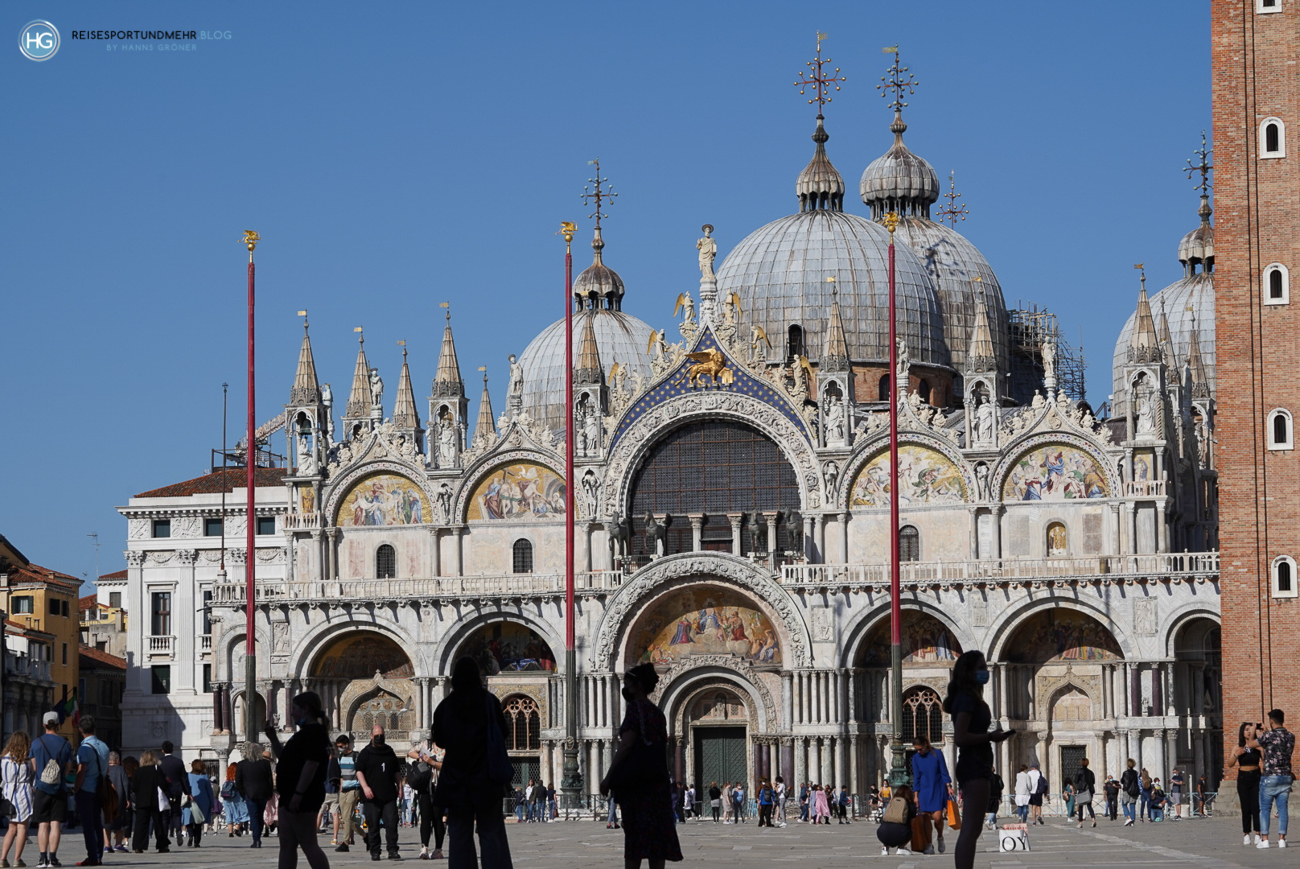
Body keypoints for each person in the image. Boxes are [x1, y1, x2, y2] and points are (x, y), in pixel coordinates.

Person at [433, 657, 514, 869]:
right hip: (485, 776)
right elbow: (504, 732)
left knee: (459, 834)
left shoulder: (446, 706)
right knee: (490, 832)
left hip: (457, 779)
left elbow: (439, 739)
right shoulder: (488, 701)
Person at [598, 662, 681, 869]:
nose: (625, 689)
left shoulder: (635, 709)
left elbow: (626, 746)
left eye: (628, 684)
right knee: (656, 842)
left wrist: (608, 777)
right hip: (658, 784)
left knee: (635, 839)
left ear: (639, 686)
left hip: (638, 787)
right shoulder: (657, 713)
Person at [944, 648, 1014, 869]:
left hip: (978, 764)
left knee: (974, 828)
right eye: (982, 667)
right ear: (969, 672)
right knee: (971, 828)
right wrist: (990, 736)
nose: (986, 671)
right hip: (973, 764)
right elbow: (961, 737)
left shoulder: (971, 696)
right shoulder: (966, 698)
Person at [264, 691, 332, 869]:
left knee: (308, 843)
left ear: (306, 709)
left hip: (304, 795)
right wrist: (273, 738)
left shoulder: (314, 733)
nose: (291, 713)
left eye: (294, 708)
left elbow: (311, 765)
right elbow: (284, 758)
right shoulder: (301, 734)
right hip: (290, 795)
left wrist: (298, 793)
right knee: (286, 844)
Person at [1247, 708, 1294, 849]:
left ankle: (1265, 839)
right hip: (1285, 776)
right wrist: (1267, 732)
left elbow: (1250, 744)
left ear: (1271, 721)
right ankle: (1281, 839)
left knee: (1265, 808)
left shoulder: (1268, 737)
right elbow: (1278, 744)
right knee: (1282, 808)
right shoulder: (1291, 736)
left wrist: (1254, 731)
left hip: (1270, 776)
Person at [32, 711, 73, 869]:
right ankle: (53, 858)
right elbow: (68, 768)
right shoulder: (65, 744)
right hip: (59, 787)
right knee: (55, 824)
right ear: (59, 725)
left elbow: (35, 767)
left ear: (43, 725)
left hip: (42, 787)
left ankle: (42, 859)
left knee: (43, 824)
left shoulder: (36, 743)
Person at [355, 725, 402, 861]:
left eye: (381, 735)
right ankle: (375, 851)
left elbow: (396, 771)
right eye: (376, 735)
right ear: (371, 736)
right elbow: (359, 771)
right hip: (371, 797)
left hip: (388, 795)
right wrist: (365, 787)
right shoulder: (365, 753)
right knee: (373, 825)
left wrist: (400, 787)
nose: (379, 738)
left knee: (392, 823)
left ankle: (393, 850)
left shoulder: (389, 751)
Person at [72, 715, 110, 867]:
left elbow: (81, 771)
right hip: (100, 789)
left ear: (80, 729)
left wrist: (76, 788)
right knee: (97, 823)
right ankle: (98, 855)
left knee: (88, 825)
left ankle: (92, 856)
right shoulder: (104, 746)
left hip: (86, 789)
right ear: (94, 728)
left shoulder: (84, 748)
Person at [909, 736, 951, 853]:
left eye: (920, 749)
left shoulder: (937, 754)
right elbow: (916, 777)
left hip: (937, 787)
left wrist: (948, 786)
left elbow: (944, 771)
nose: (919, 751)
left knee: (937, 818)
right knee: (926, 818)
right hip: (924, 790)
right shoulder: (916, 758)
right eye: (916, 749)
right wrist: (916, 794)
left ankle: (940, 836)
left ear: (926, 745)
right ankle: (929, 844)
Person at [407, 736, 446, 859]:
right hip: (425, 786)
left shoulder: (447, 747)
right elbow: (410, 752)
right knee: (425, 818)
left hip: (439, 787)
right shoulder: (426, 744)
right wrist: (421, 757)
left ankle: (438, 849)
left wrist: (431, 762)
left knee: (437, 819)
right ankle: (424, 847)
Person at [1, 731, 34, 868]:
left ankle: (2, 858)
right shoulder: (27, 760)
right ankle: (17, 859)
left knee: (11, 828)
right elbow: (33, 774)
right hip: (23, 793)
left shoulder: (3, 759)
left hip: (8, 794)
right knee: (22, 828)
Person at [236, 742, 275, 848]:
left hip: (250, 794)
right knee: (260, 815)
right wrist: (269, 792)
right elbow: (269, 780)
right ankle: (257, 838)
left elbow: (238, 781)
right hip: (263, 793)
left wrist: (243, 794)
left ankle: (256, 839)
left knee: (254, 816)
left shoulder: (242, 764)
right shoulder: (265, 764)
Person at [129, 751, 167, 854]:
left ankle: (138, 846)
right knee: (158, 823)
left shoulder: (138, 771)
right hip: (155, 800)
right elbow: (162, 784)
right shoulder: (156, 769)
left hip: (142, 800)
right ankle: (162, 845)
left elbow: (134, 787)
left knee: (141, 824)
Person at [331, 736, 362, 851]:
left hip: (353, 788)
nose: (339, 748)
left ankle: (345, 843)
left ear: (347, 744)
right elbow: (340, 774)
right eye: (338, 746)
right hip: (343, 790)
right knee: (345, 818)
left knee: (347, 816)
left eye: (340, 746)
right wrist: (340, 787)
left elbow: (360, 771)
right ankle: (365, 836)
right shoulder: (339, 757)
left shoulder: (356, 756)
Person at [158, 741, 190, 847]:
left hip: (164, 791)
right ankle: (178, 830)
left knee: (165, 814)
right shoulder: (178, 762)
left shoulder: (159, 762)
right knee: (176, 812)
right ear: (172, 750)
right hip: (176, 790)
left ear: (163, 750)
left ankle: (165, 836)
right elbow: (184, 778)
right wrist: (187, 792)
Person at [875, 784, 916, 856]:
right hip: (901, 834)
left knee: (889, 828)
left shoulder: (892, 802)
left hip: (882, 833)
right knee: (911, 830)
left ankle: (885, 848)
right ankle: (901, 847)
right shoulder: (910, 805)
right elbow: (912, 823)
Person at [182, 760, 215, 848]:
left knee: (188, 820)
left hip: (189, 799)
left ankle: (191, 834)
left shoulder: (187, 775)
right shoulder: (204, 777)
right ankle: (197, 842)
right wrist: (212, 802)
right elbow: (209, 791)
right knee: (198, 822)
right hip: (203, 801)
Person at [105, 753, 130, 853]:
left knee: (106, 822)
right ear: (117, 760)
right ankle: (118, 844)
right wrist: (127, 798)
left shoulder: (104, 769)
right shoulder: (121, 770)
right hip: (119, 799)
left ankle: (107, 845)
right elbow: (126, 784)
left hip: (106, 799)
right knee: (120, 822)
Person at [222, 762, 250, 837]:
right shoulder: (238, 777)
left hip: (226, 797)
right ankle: (237, 828)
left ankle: (230, 832)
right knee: (244, 812)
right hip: (237, 797)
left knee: (229, 813)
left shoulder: (227, 777)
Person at [1073, 758, 1096, 828]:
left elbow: (1075, 780)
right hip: (1089, 790)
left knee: (1080, 807)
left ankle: (1080, 822)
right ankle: (1093, 819)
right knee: (1089, 806)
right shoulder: (1091, 772)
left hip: (1082, 790)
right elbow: (1093, 781)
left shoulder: (1079, 771)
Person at [1120, 759, 1139, 826]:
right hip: (1134, 790)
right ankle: (1132, 821)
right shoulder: (1136, 773)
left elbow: (1122, 781)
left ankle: (1128, 817)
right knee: (1132, 805)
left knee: (1124, 804)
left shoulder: (1125, 773)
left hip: (1127, 790)